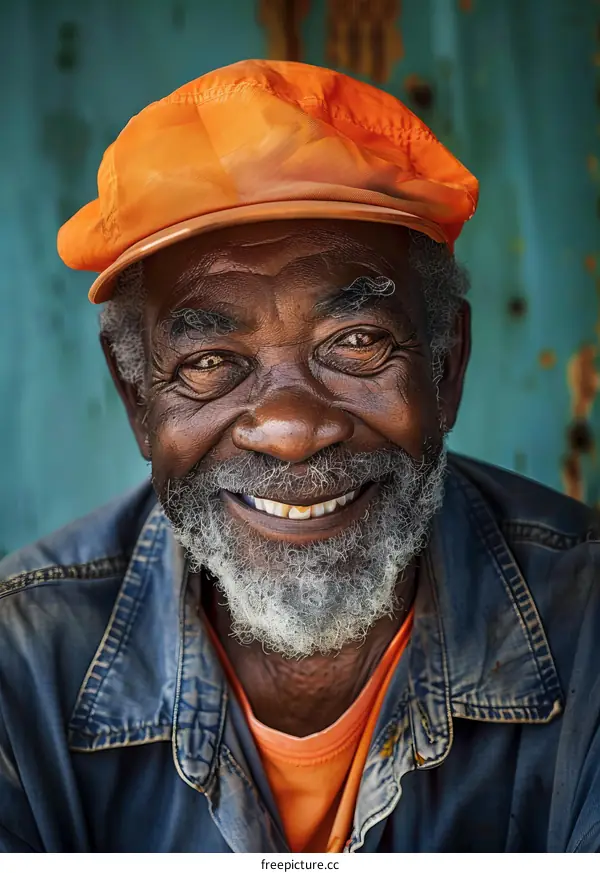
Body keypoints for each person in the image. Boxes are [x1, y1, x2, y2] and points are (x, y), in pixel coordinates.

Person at [1, 59, 599, 854]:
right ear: (137, 397)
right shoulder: (21, 662)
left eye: (355, 342)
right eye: (210, 358)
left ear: (447, 365)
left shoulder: (587, 625)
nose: (289, 428)